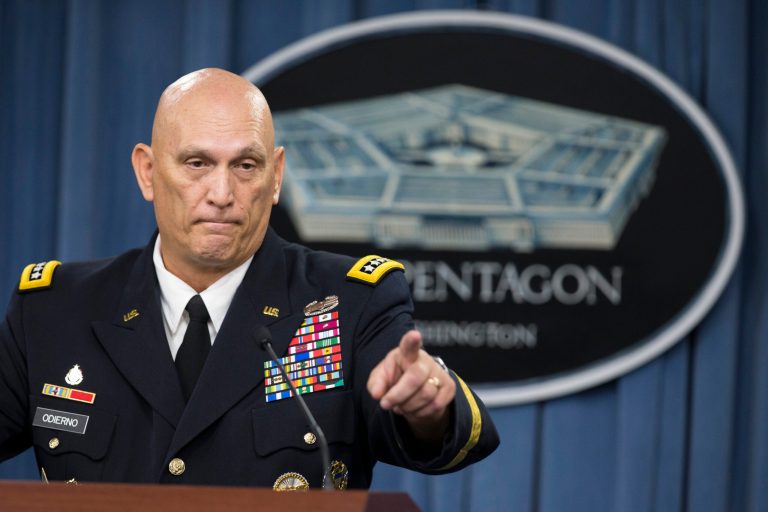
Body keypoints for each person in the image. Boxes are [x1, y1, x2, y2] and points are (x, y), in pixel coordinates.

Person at [0, 68, 498, 489]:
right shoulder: (55, 309)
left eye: (245, 165)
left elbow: (436, 438)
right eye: (197, 163)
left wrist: (428, 406)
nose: (222, 192)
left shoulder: (350, 302)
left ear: (275, 176)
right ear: (147, 172)